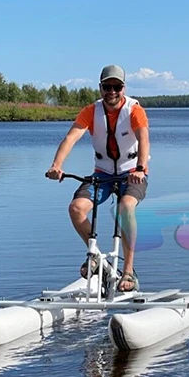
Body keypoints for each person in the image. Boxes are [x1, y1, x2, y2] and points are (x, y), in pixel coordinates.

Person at [46, 64, 150, 292]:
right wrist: (57, 166)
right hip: (102, 174)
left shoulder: (134, 110)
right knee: (76, 208)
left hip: (131, 174)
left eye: (117, 87)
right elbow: (71, 138)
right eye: (107, 87)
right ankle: (96, 257)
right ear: (100, 87)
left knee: (125, 207)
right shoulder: (90, 112)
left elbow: (144, 139)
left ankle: (129, 271)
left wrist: (140, 168)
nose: (112, 91)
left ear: (123, 88)